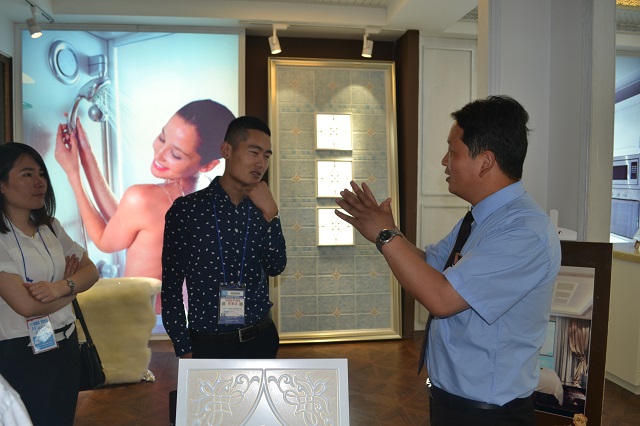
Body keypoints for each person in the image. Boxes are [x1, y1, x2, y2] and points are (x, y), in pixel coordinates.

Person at [335, 95, 561, 426]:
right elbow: (430, 265)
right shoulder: (482, 218)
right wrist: (388, 232)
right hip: (454, 400)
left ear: (485, 161)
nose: (444, 161)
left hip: (488, 414)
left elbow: (441, 298)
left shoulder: (524, 233)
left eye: (453, 152)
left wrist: (386, 236)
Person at [54, 99, 235, 283]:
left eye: (175, 154)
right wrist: (86, 153)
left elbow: (104, 241)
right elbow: (126, 222)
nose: (159, 154)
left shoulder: (143, 199)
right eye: (162, 137)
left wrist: (73, 173)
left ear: (207, 166)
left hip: (140, 303)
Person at [161, 116, 286, 359]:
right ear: (227, 150)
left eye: (266, 156)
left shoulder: (263, 209)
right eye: (254, 152)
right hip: (209, 343)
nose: (260, 163)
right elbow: (171, 285)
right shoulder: (188, 210)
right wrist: (183, 346)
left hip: (260, 338)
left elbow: (276, 266)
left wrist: (272, 215)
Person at [0, 142, 99, 426]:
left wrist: (60, 287)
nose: (39, 181)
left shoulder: (50, 227)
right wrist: (73, 289)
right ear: (2, 185)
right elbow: (26, 306)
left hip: (66, 341)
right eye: (27, 174)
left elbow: (91, 272)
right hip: (21, 349)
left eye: (41, 173)